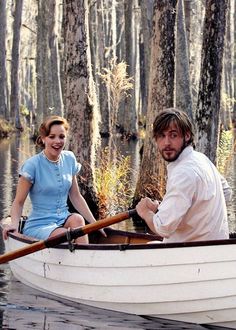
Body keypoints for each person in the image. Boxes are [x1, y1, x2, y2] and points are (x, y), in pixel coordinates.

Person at [3, 115, 105, 244]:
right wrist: (14, 225)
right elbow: (18, 202)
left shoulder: (69, 158)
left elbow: (76, 196)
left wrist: (95, 223)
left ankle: (83, 261)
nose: (58, 141)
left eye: (61, 137)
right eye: (52, 137)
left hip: (63, 218)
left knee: (78, 219)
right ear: (43, 139)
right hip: (40, 224)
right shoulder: (32, 165)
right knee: (63, 234)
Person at [136, 108, 232, 243]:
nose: (167, 143)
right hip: (214, 250)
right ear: (156, 139)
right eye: (161, 136)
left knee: (149, 245)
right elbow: (227, 192)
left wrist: (145, 212)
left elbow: (162, 228)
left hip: (190, 254)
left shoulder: (183, 173)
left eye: (173, 135)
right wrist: (164, 208)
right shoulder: (201, 158)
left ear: (187, 136)